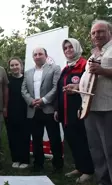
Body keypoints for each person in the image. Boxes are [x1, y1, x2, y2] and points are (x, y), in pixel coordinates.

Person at [69, 20, 112, 185]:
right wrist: (76, 86)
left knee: (110, 149)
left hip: (108, 108)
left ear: (110, 32)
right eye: (94, 33)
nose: (97, 35)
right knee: (97, 149)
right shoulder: (94, 54)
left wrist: (104, 71)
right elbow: (91, 80)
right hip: (90, 108)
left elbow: (101, 73)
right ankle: (103, 181)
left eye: (101, 31)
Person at [54, 38, 94, 183]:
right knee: (73, 140)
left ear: (77, 47)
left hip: (80, 111)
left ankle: (88, 170)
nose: (68, 50)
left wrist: (77, 89)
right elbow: (60, 91)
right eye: (65, 48)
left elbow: (91, 85)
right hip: (65, 113)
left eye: (71, 47)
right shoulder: (66, 68)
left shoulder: (85, 65)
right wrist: (57, 110)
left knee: (83, 140)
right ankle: (79, 167)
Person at [21, 47, 63, 173]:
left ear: (46, 55)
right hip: (33, 110)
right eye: (35, 54)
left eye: (40, 54)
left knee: (54, 138)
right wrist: (31, 101)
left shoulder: (55, 68)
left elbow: (56, 87)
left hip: (48, 109)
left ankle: (58, 165)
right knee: (36, 139)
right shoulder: (28, 72)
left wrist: (43, 100)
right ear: (33, 57)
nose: (38, 56)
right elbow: (24, 90)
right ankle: (38, 164)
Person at [5, 57, 30, 169]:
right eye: (12, 65)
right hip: (10, 112)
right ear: (9, 67)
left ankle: (25, 160)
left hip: (24, 112)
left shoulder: (26, 79)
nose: (14, 67)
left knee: (24, 136)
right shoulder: (8, 81)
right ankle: (15, 159)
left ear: (21, 66)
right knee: (12, 136)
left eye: (16, 65)